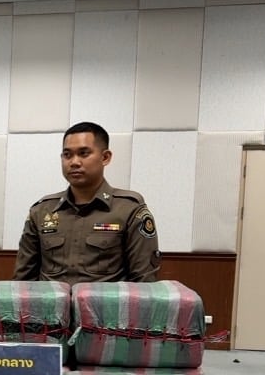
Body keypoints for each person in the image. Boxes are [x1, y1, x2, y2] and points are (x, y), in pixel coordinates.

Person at [13, 121, 160, 284]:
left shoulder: (129, 210)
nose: (74, 162)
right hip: (50, 301)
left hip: (105, 301)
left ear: (105, 157)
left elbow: (144, 283)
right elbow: (23, 281)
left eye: (83, 153)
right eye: (67, 155)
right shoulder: (41, 211)